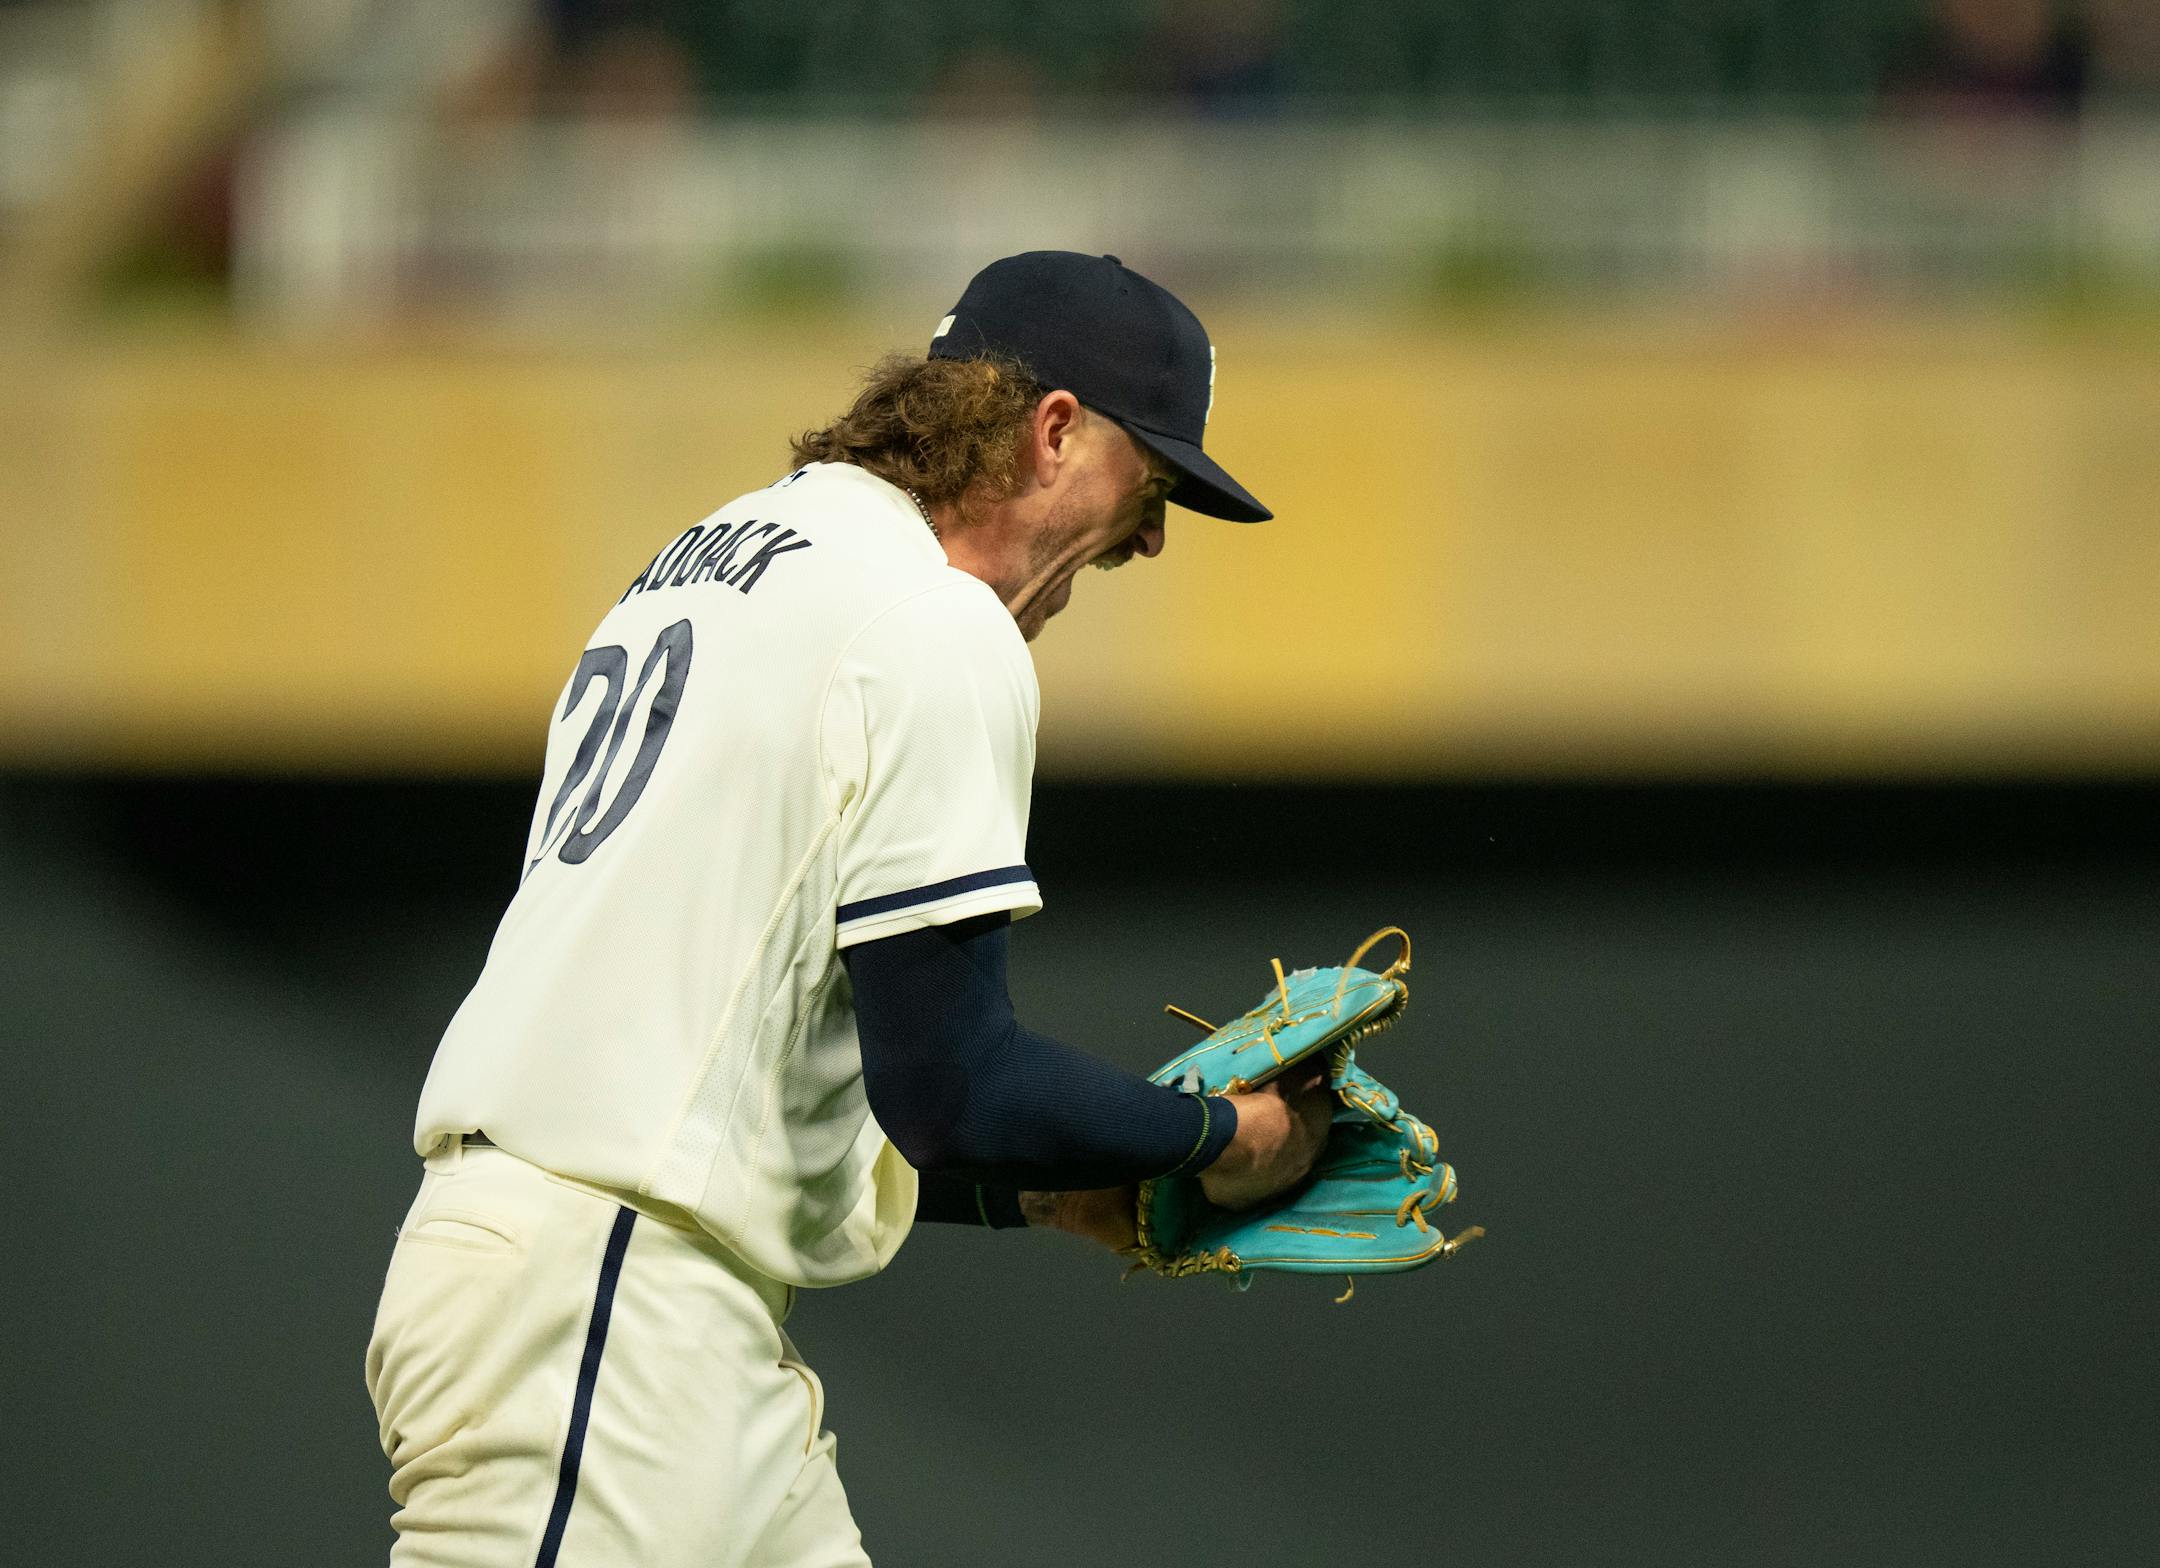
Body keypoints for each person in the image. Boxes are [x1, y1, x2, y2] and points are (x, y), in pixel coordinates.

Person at [365, 251, 1336, 1567]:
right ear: (1054, 430)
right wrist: (1227, 1132)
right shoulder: (932, 622)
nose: (1154, 533)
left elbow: (763, 1065)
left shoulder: (720, 560)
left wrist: (1046, 1197)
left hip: (616, 1282)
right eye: (1150, 481)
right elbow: (957, 1090)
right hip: (601, 1303)